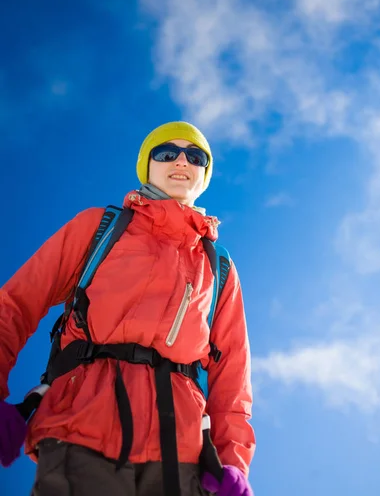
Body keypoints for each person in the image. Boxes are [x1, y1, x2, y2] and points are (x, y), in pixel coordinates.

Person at [0, 121, 255, 495]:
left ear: (204, 173)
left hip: (180, 461)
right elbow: (15, 304)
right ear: (146, 166)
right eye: (166, 153)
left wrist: (233, 462)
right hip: (81, 434)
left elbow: (232, 376)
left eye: (195, 155)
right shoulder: (99, 228)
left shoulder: (218, 267)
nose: (181, 160)